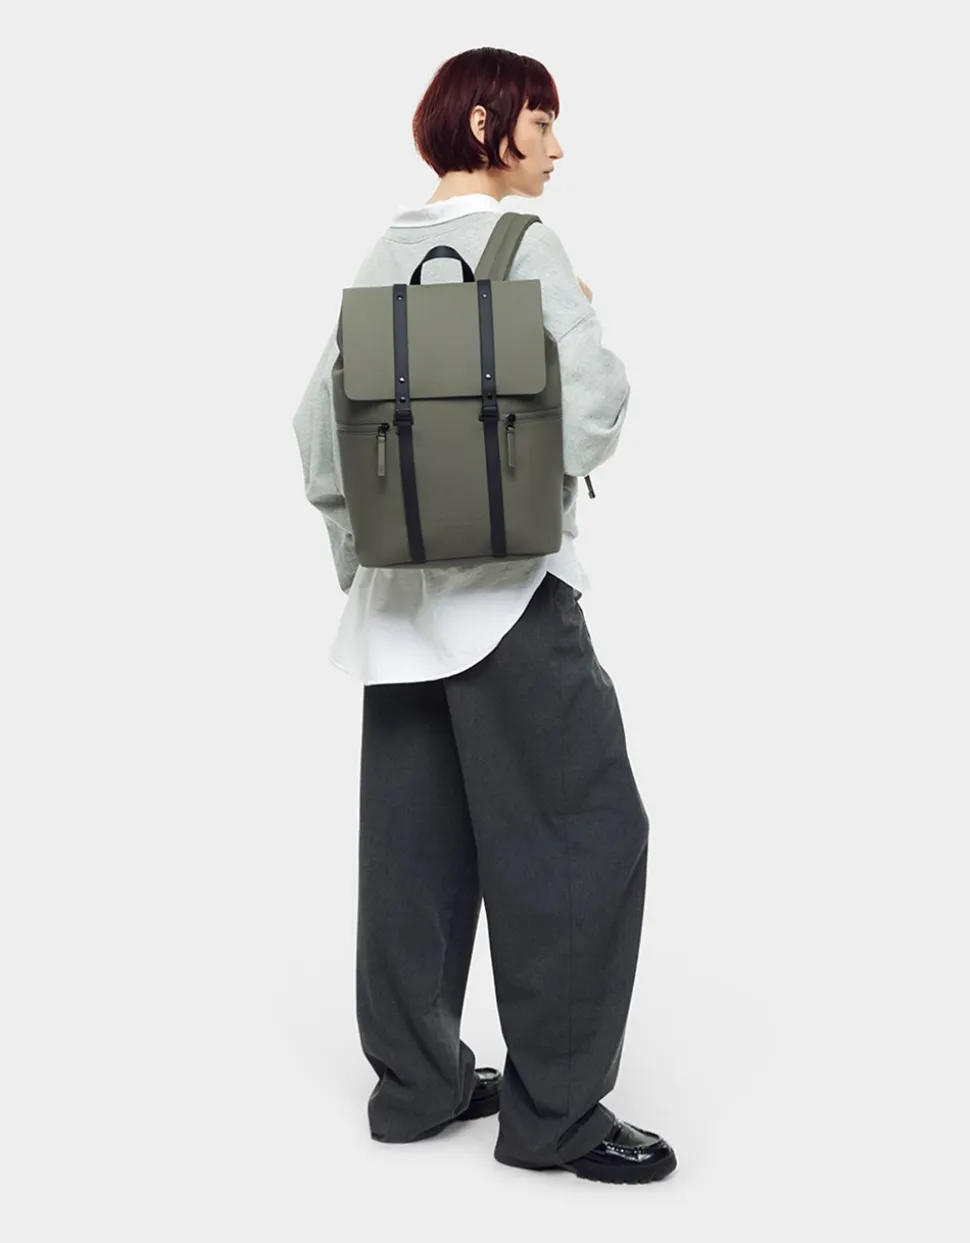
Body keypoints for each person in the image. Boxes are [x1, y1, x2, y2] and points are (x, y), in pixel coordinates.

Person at [291, 46, 677, 1185]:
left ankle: (417, 1087)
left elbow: (316, 436)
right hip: (510, 599)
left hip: (396, 615)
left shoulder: (387, 249)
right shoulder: (525, 245)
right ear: (487, 125)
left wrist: (372, 563)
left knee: (413, 851)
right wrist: (584, 323)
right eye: (542, 124)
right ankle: (556, 1116)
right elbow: (594, 415)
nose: (557, 148)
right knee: (583, 836)